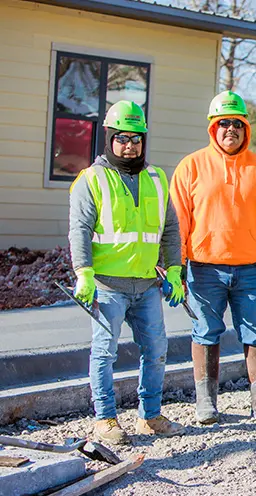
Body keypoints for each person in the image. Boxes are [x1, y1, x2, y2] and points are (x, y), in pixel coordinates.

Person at [170, 91, 256, 425]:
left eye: (237, 124)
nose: (230, 130)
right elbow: (178, 222)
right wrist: (175, 263)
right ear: (213, 128)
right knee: (206, 332)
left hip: (250, 269)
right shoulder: (191, 167)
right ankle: (206, 403)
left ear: (245, 128)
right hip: (204, 268)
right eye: (223, 123)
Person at [68, 101, 185, 445]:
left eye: (136, 139)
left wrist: (175, 271)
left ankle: (149, 416)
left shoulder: (157, 177)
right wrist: (83, 273)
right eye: (122, 138)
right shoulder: (92, 179)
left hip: (148, 284)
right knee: (104, 352)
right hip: (107, 286)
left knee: (157, 349)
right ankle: (105, 419)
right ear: (109, 138)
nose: (130, 145)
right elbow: (80, 229)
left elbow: (170, 230)